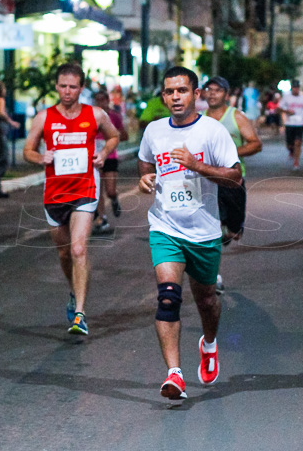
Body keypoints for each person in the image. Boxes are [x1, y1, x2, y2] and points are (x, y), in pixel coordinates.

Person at [137, 66, 241, 401]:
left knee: (207, 300)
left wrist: (197, 166)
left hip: (204, 232)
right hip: (165, 227)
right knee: (168, 297)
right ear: (164, 96)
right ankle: (174, 375)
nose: (175, 97)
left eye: (182, 90)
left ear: (196, 94)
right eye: (169, 92)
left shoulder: (212, 132)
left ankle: (208, 343)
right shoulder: (154, 131)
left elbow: (235, 177)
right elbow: (145, 163)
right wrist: (145, 179)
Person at [22, 63, 120, 337]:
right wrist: (41, 157)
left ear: (81, 88)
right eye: (63, 86)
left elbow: (114, 136)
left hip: (85, 189)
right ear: (56, 86)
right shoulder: (44, 118)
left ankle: (80, 313)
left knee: (78, 249)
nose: (67, 91)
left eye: (73, 87)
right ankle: (74, 290)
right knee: (64, 252)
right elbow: (27, 150)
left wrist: (103, 154)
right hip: (55, 192)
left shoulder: (95, 114)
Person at [202, 74, 262, 253]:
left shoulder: (236, 116)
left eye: (218, 91)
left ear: (226, 95)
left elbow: (256, 144)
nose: (212, 94)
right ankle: (211, 270)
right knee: (210, 226)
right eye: (209, 90)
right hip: (208, 179)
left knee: (235, 232)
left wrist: (229, 154)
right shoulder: (199, 119)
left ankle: (228, 232)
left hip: (232, 177)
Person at [92, 89, 129, 234]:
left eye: (103, 99)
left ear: (108, 100)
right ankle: (102, 218)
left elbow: (124, 136)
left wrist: (113, 137)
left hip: (111, 156)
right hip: (95, 156)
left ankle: (114, 199)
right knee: (97, 190)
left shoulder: (114, 116)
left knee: (110, 190)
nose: (100, 102)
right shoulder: (90, 116)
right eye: (97, 100)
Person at [280, 80, 303, 170]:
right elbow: (279, 109)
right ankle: (291, 151)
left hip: (300, 123)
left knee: (298, 143)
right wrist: (287, 111)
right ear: (292, 88)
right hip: (290, 123)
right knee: (290, 145)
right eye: (294, 87)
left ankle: (296, 162)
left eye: (297, 87)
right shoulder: (286, 98)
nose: (296, 89)